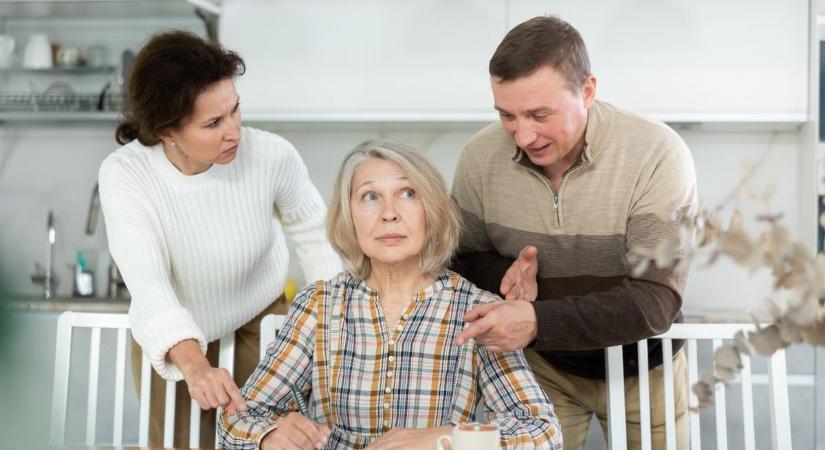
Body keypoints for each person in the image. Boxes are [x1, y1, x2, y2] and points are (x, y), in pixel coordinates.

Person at [219, 139, 563, 450]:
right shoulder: (319, 305)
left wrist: (445, 439)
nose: (389, 213)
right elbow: (236, 422)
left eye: (408, 194)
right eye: (370, 197)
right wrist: (270, 435)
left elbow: (542, 432)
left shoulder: (478, 311)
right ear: (349, 217)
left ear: (433, 211)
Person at [451, 16, 698, 449]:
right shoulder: (479, 157)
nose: (523, 135)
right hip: (540, 370)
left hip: (645, 365)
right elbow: (458, 261)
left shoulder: (656, 154)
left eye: (540, 115)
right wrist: (503, 275)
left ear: (587, 90)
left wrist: (536, 321)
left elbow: (655, 300)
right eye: (507, 115)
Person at [98, 30, 342, 447]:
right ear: (167, 131)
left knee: (273, 439)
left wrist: (333, 321)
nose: (234, 132)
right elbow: (149, 284)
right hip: (171, 335)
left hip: (260, 319)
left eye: (235, 111)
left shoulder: (271, 155)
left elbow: (315, 235)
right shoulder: (126, 175)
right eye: (214, 123)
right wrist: (194, 366)